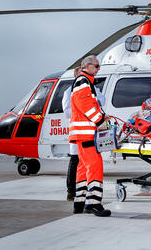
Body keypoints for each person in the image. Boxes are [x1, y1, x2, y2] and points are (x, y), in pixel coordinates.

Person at [69, 54, 111, 217]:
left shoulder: (85, 82)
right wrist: (100, 119)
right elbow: (85, 105)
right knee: (95, 165)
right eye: (97, 66)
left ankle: (79, 202)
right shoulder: (83, 81)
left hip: (82, 133)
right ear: (87, 66)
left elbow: (86, 106)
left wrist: (101, 115)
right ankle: (94, 203)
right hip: (86, 133)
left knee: (82, 167)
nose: (98, 68)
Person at [62, 64, 82, 201]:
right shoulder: (68, 92)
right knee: (74, 161)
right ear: (75, 76)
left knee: (86, 163)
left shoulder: (92, 89)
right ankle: (71, 191)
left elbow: (101, 101)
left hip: (89, 132)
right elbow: (67, 112)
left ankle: (83, 189)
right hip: (77, 131)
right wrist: (82, 110)